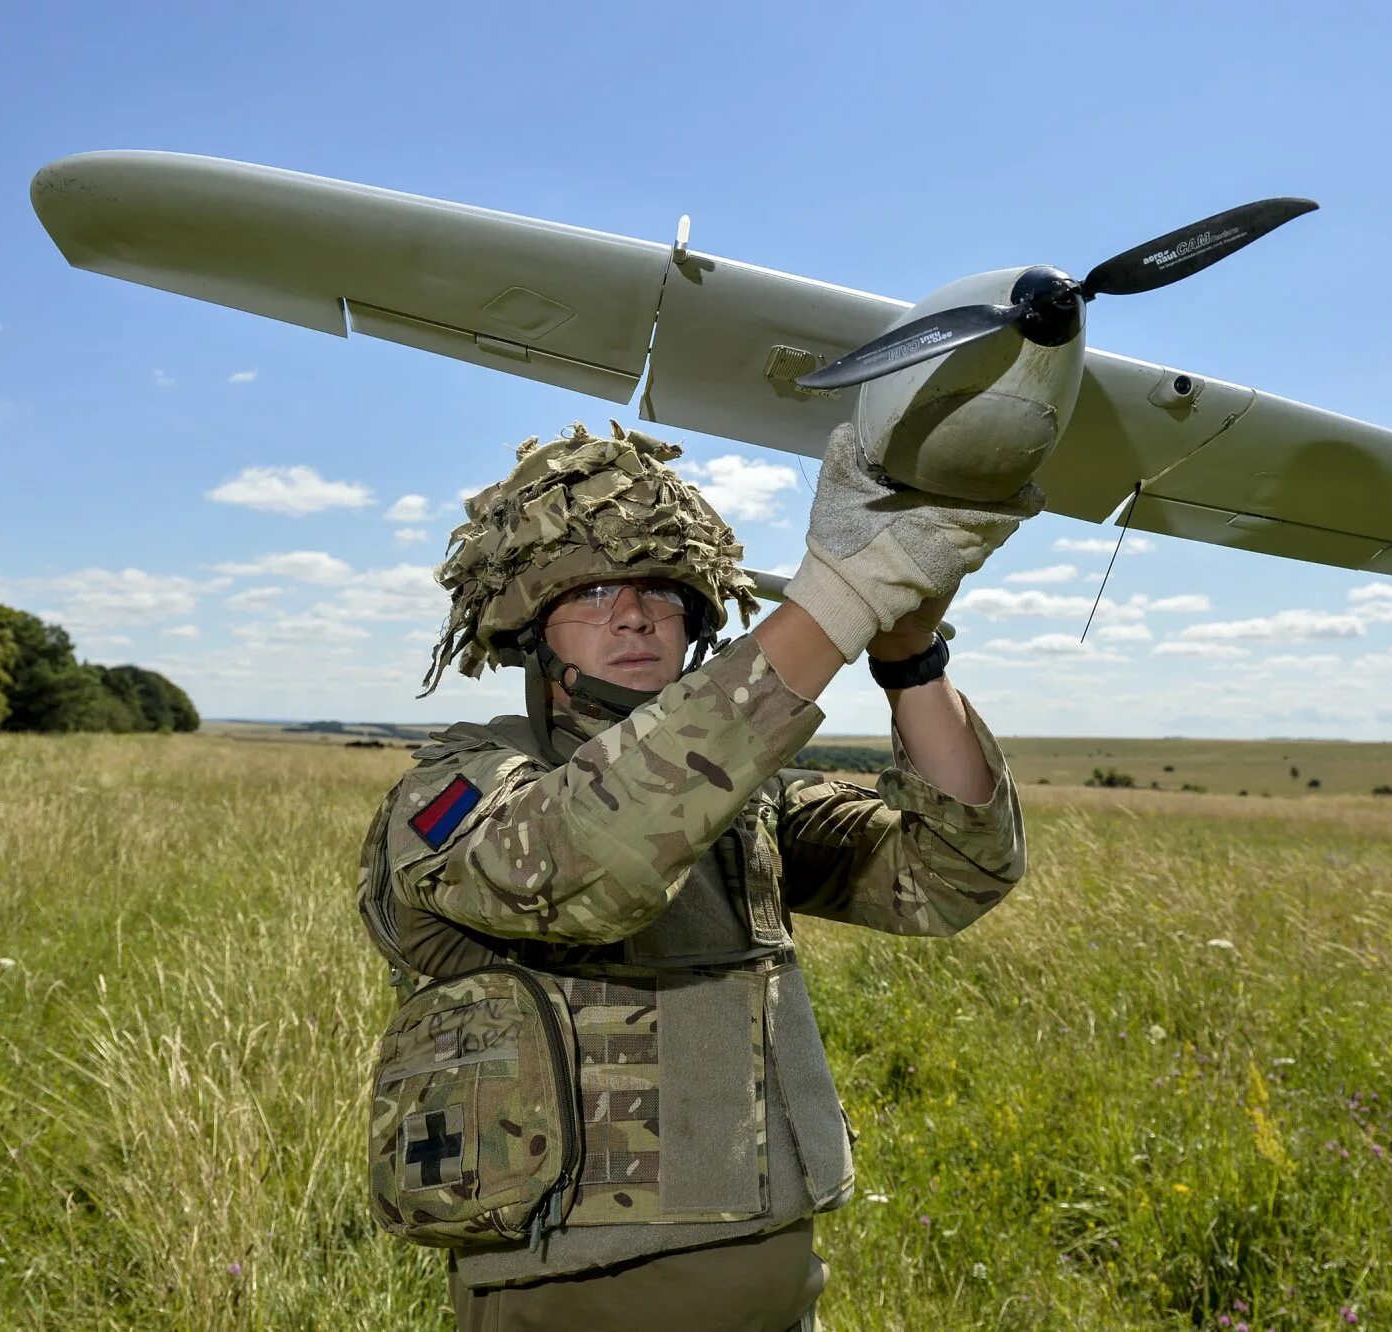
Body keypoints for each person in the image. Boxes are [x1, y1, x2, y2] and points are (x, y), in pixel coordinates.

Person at [356, 420, 1040, 1331]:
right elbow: (586, 861)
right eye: (593, 592)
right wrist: (839, 598)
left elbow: (952, 872)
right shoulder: (460, 791)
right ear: (528, 626)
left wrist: (908, 652)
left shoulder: (741, 800)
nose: (634, 615)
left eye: (662, 592)